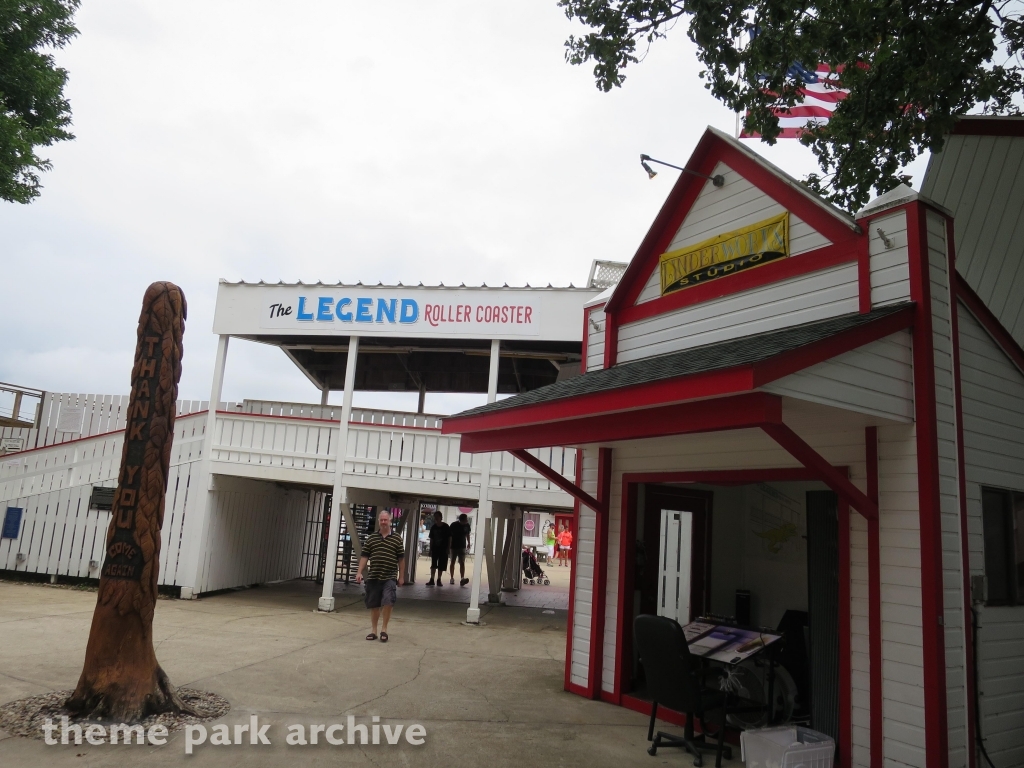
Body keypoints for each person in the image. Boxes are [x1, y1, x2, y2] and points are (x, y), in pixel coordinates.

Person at [354, 509, 405, 642]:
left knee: (388, 601)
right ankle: (374, 631)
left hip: (389, 577)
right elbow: (364, 556)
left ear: (390, 521)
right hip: (374, 576)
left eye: (385, 520)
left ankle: (384, 629)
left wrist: (401, 577)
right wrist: (359, 572)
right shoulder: (372, 538)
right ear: (378, 521)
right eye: (381, 520)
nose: (383, 522)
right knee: (374, 605)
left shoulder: (397, 538)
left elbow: (401, 559)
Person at [426, 510, 450, 586]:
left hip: (443, 548)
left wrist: (448, 548)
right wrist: (430, 549)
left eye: (437, 516)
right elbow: (431, 539)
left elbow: (450, 538)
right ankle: (432, 579)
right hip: (435, 548)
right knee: (433, 564)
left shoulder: (446, 526)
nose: (436, 518)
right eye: (435, 517)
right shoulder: (433, 527)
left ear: (440, 517)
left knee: (441, 564)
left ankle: (439, 579)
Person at [448, 513, 470, 586]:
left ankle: (462, 578)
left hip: (462, 546)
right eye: (466, 519)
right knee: (452, 562)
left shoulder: (467, 526)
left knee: (462, 562)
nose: (467, 520)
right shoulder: (454, 525)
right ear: (462, 520)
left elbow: (467, 534)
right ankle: (451, 578)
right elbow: (450, 536)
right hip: (453, 546)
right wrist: (449, 545)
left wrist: (468, 543)